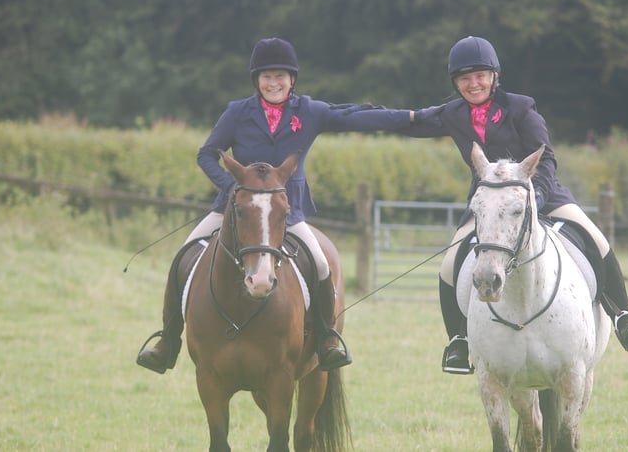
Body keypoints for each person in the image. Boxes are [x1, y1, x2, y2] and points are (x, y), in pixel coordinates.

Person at [136, 37, 435, 374]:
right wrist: (233, 188)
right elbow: (206, 154)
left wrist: (412, 117)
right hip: (234, 209)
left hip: (285, 212)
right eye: (266, 76)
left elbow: (354, 117)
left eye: (281, 76)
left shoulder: (308, 111)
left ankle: (326, 339)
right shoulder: (237, 113)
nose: (273, 83)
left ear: (292, 79)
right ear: (256, 81)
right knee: (183, 257)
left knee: (322, 265)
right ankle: (168, 342)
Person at [407, 36, 628, 374]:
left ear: (494, 76)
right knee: (450, 265)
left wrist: (536, 195)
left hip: (544, 197)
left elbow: (546, 158)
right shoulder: (453, 114)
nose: (473, 83)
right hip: (489, 205)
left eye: (480, 75)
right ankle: (458, 341)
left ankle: (623, 315)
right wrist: (352, 115)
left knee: (597, 241)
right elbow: (409, 120)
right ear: (455, 82)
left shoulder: (521, 107)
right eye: (465, 78)